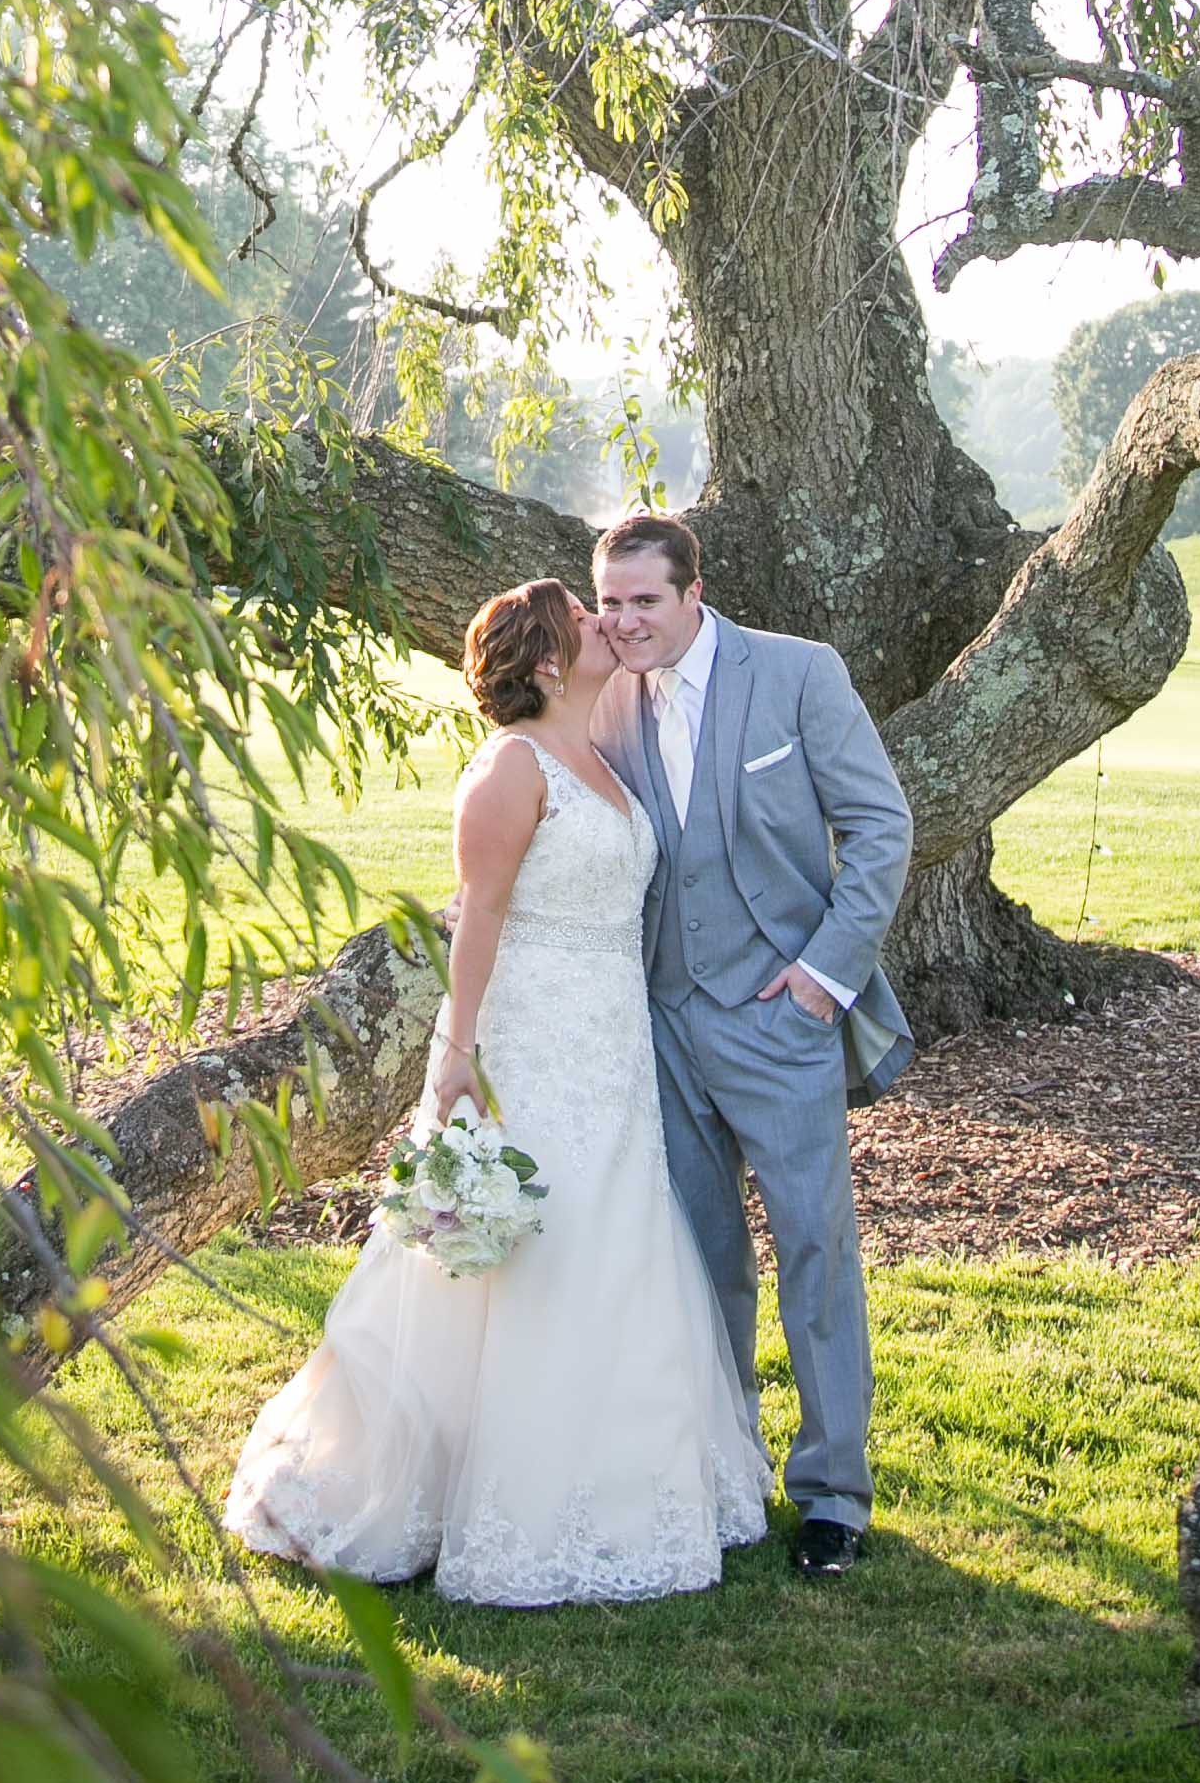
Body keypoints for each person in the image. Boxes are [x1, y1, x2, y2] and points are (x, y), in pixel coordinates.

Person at [223, 575, 768, 1605]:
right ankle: (457, 1490)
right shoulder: (512, 767)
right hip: (531, 1040)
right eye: (586, 620)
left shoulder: (597, 751)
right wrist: (457, 1052)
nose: (606, 626)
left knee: (615, 1239)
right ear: (551, 662)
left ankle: (622, 1480)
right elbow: (476, 918)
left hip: (611, 1044)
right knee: (527, 1252)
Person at [589, 512, 913, 1578]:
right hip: (662, 1018)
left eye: (645, 600)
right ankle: (725, 1471)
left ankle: (833, 1496)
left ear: (695, 594)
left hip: (782, 1017)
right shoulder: (604, 691)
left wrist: (825, 976)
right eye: (611, 601)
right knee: (701, 1259)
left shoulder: (797, 674)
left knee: (815, 1248)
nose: (625, 621)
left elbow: (881, 826)